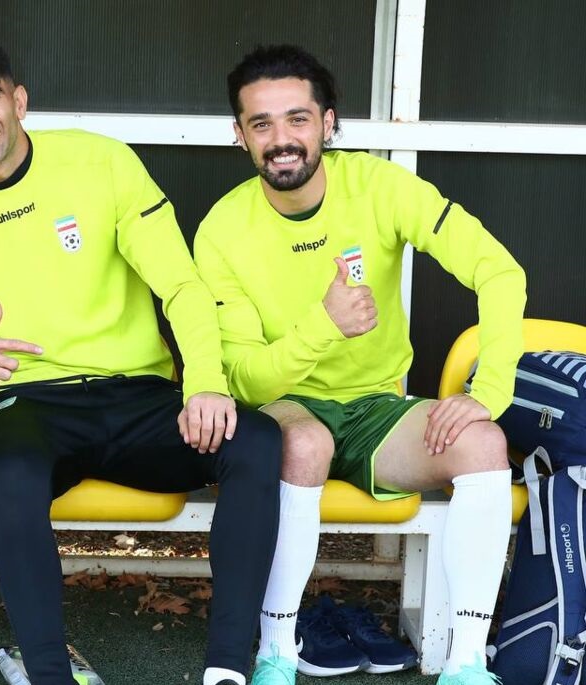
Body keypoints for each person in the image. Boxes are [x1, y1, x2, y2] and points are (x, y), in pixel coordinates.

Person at [0, 36, 283, 685]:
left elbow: (181, 285)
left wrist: (206, 383)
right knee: (8, 468)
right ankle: (50, 676)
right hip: (31, 404)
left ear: (19, 100)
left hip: (138, 396)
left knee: (255, 439)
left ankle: (228, 669)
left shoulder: (101, 162)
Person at [194, 44, 525, 685]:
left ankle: (464, 665)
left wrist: (489, 390)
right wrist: (324, 327)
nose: (281, 139)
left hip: (377, 408)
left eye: (297, 118)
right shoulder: (222, 229)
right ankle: (276, 652)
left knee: (483, 443)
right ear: (240, 134)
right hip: (288, 408)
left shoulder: (380, 186)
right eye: (261, 123)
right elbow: (246, 380)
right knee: (305, 443)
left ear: (328, 122)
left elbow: (499, 271)